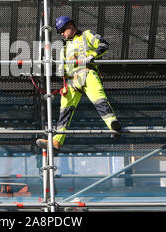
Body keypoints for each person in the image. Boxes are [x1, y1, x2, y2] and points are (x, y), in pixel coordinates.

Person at [36, 16, 121, 153]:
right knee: (65, 111)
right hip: (71, 80)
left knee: (99, 100)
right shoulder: (64, 46)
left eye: (63, 30)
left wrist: (91, 56)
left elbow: (104, 45)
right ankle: (57, 141)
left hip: (88, 73)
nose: (62, 34)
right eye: (60, 32)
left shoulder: (87, 35)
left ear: (70, 25)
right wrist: (62, 80)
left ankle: (113, 125)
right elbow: (61, 68)